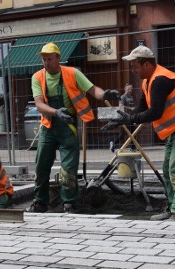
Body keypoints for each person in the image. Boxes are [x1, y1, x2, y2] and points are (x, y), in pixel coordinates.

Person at [103, 45, 175, 222]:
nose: (133, 70)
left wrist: (130, 119)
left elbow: (155, 112)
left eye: (135, 66)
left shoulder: (160, 79)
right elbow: (142, 108)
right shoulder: (148, 82)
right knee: (168, 169)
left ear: (147, 64)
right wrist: (124, 118)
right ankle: (172, 207)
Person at [29, 42, 119, 213]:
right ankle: (40, 201)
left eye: (49, 59)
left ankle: (68, 202)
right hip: (48, 126)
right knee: (41, 167)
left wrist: (104, 94)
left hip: (67, 128)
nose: (46, 62)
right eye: (43, 59)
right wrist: (56, 112)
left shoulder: (73, 73)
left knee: (68, 169)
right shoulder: (37, 77)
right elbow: (39, 104)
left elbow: (93, 90)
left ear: (58, 58)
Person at [109, 83, 136, 152]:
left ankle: (133, 147)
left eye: (131, 89)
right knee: (123, 134)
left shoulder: (131, 97)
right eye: (128, 89)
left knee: (133, 132)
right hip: (124, 117)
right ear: (125, 89)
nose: (130, 90)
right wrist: (130, 108)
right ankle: (113, 143)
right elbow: (120, 106)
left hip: (131, 117)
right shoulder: (123, 97)